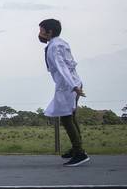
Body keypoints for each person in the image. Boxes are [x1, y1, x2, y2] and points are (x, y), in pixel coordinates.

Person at [38, 19, 89, 166]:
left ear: (50, 32)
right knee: (70, 116)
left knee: (66, 118)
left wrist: (73, 86)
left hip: (68, 85)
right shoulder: (59, 43)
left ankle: (79, 152)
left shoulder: (54, 46)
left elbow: (62, 67)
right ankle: (76, 149)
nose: (39, 33)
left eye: (42, 30)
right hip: (70, 83)